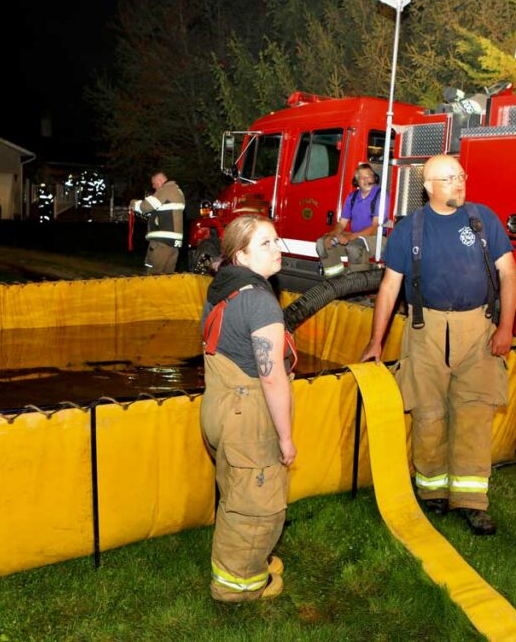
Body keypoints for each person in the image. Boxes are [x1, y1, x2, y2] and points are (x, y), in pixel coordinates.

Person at [360, 154, 516, 535]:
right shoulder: (408, 230)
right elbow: (389, 287)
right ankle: (431, 492)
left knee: (474, 414)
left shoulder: (483, 220)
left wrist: (506, 329)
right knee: (428, 412)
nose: (460, 183)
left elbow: (509, 275)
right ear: (429, 186)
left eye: (462, 176)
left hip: (477, 330)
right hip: (424, 331)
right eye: (450, 178)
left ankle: (471, 501)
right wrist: (374, 342)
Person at [200, 214, 297, 601]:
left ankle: (247, 558)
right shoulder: (261, 304)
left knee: (235, 490)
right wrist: (286, 437)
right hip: (249, 416)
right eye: (265, 244)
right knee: (258, 505)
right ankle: (238, 585)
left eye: (276, 240)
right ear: (240, 255)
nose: (277, 250)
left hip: (217, 407)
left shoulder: (221, 287)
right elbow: (271, 377)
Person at [315, 163, 390, 277]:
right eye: (362, 177)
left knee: (354, 247)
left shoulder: (381, 195)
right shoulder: (352, 197)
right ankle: (336, 282)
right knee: (322, 243)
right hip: (356, 236)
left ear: (375, 178)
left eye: (369, 176)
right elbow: (342, 224)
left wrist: (350, 237)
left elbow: (375, 228)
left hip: (377, 239)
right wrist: (331, 235)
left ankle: (358, 289)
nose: (367, 180)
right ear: (356, 182)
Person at [131, 171, 185, 274]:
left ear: (160, 181)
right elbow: (163, 212)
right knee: (167, 276)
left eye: (154, 184)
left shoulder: (165, 190)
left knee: (154, 275)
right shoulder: (177, 191)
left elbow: (146, 206)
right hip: (173, 243)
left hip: (161, 243)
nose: (153, 187)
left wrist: (134, 204)